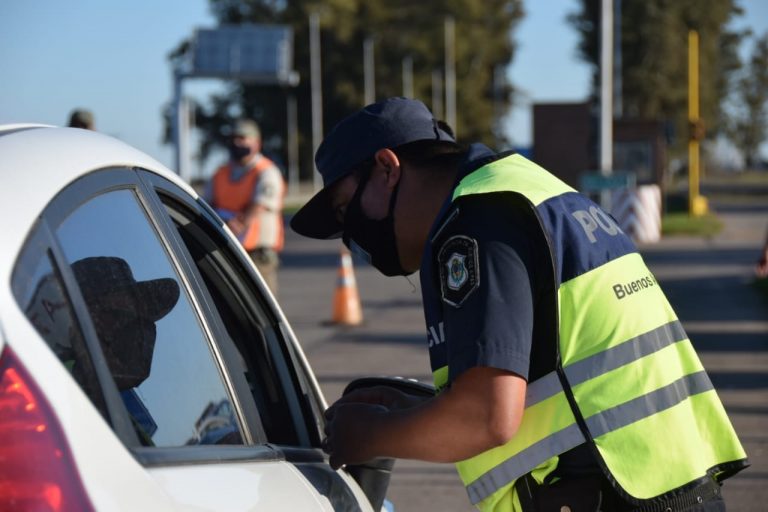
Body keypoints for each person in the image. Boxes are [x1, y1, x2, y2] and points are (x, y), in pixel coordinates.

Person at [290, 97, 748, 511]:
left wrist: (367, 434)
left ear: (388, 169)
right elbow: (561, 376)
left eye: (345, 208)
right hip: (669, 483)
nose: (350, 235)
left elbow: (485, 417)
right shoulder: (533, 193)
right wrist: (411, 410)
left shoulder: (478, 221)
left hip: (613, 494)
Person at [206, 119, 286, 295]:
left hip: (257, 254)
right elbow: (206, 203)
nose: (237, 143)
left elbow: (261, 204)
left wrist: (239, 224)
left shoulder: (266, 171)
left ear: (257, 143)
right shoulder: (221, 173)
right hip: (226, 249)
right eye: (234, 138)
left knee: (260, 306)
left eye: (242, 138)